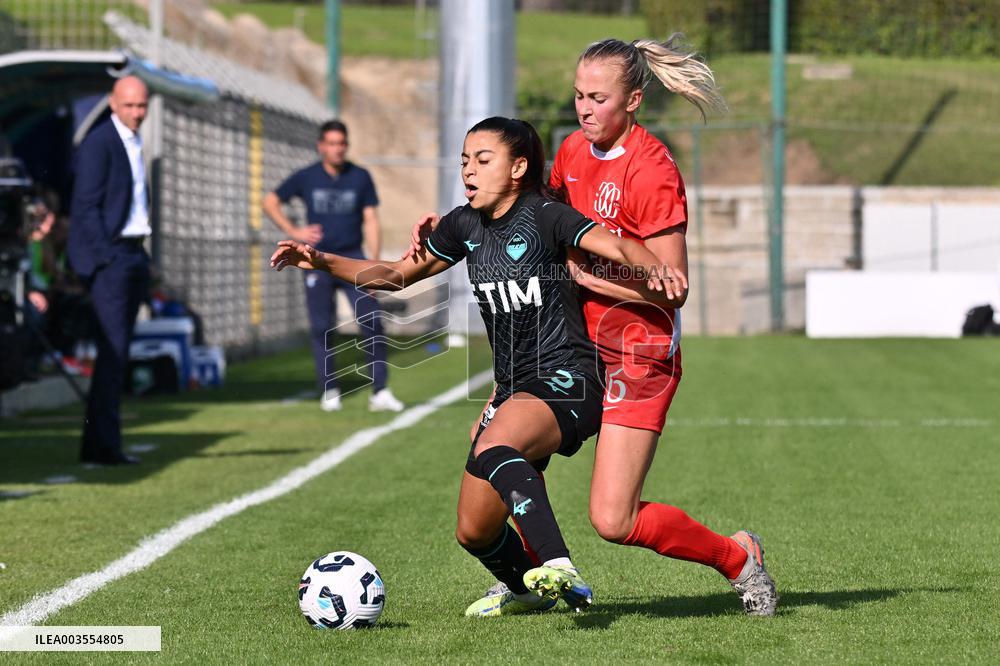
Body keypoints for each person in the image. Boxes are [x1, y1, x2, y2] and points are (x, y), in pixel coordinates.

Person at [407, 37, 778, 617]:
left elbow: (672, 286)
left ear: (633, 100)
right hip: (568, 352)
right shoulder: (574, 152)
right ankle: (529, 579)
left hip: (638, 354)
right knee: (496, 459)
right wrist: (453, 226)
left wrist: (588, 279)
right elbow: (531, 216)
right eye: (578, 95)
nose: (583, 108)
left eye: (598, 97)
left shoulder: (652, 169)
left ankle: (738, 558)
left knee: (614, 519)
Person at [271, 117, 681, 616]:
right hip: (513, 386)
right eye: (465, 160)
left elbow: (615, 244)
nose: (469, 170)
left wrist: (661, 271)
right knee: (474, 529)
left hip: (569, 376)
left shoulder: (547, 216)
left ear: (518, 168)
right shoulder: (463, 225)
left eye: (483, 160)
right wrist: (318, 259)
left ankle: (559, 567)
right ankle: (526, 591)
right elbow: (396, 276)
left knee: (495, 444)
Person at [263, 120, 403, 413]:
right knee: (321, 326)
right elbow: (270, 201)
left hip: (353, 259)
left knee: (372, 321)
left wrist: (375, 264)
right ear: (321, 146)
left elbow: (371, 219)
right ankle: (330, 388)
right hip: (317, 261)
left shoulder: (360, 177)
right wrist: (295, 231)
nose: (338, 149)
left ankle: (380, 391)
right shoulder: (307, 177)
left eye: (342, 143)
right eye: (332, 143)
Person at [67, 75, 152, 466]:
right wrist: (106, 258)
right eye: (130, 105)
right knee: (113, 352)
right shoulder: (100, 142)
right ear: (113, 103)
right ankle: (104, 448)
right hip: (114, 258)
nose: (137, 113)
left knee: (118, 354)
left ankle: (100, 446)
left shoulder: (132, 141)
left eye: (142, 105)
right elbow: (84, 206)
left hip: (134, 254)